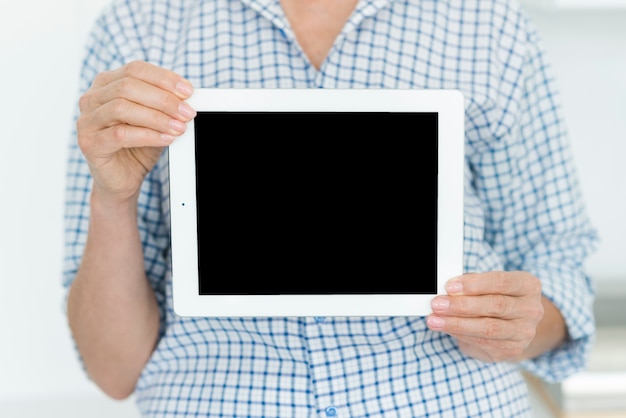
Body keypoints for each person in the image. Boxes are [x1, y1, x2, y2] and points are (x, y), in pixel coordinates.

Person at [63, 0, 599, 416]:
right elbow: (115, 370)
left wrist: (518, 324)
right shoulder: (141, 21)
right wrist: (115, 197)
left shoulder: (485, 21)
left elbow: (555, 259)